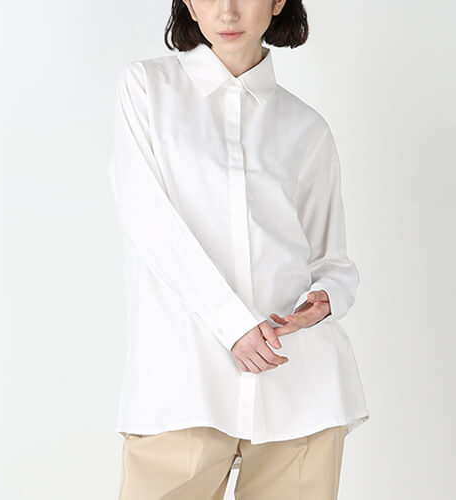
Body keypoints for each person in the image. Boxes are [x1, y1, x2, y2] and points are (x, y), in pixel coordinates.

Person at [107, 1, 369, 499]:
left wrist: (324, 300)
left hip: (300, 388)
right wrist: (233, 326)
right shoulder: (146, 89)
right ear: (188, 3)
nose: (227, 12)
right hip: (185, 386)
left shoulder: (306, 126)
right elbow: (147, 219)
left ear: (277, 2)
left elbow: (332, 262)